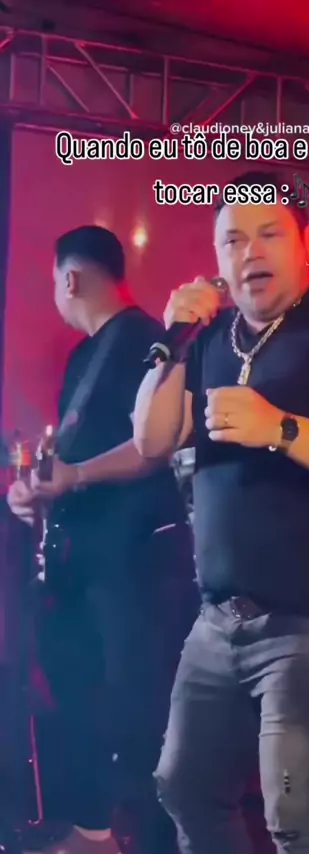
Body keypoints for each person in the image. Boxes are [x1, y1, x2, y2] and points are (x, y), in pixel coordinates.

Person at [133, 170, 309, 854]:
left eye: (268, 234)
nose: (250, 251)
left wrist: (279, 428)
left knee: (297, 814)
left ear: (303, 244)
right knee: (185, 787)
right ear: (218, 259)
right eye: (233, 240)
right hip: (219, 619)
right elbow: (151, 439)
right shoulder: (210, 339)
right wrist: (173, 344)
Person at [7, 226, 197, 854]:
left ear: (69, 278)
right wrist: (35, 492)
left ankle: (156, 841)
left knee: (141, 718)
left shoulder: (148, 340)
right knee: (80, 699)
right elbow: (68, 461)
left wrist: (77, 475)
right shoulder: (81, 358)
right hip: (84, 569)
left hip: (136, 565)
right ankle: (96, 831)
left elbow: (157, 445)